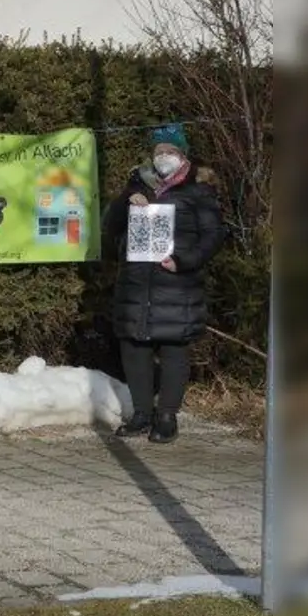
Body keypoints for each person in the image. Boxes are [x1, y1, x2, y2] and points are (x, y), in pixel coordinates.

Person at [103, 124, 226, 444]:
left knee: (173, 347)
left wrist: (184, 261)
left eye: (170, 152)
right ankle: (141, 413)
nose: (164, 157)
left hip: (176, 283)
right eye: (159, 152)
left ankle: (167, 415)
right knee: (134, 345)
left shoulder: (199, 190)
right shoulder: (137, 184)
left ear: (182, 155)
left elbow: (214, 236)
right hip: (136, 282)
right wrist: (128, 201)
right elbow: (111, 224)